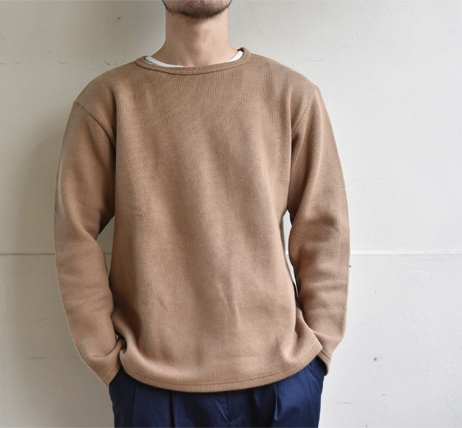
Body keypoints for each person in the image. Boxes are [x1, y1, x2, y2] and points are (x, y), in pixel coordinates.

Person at [53, 0, 350, 426]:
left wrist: (318, 352)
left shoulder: (291, 95)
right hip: (152, 387)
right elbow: (74, 233)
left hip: (282, 382)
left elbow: (324, 228)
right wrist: (107, 360)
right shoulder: (108, 100)